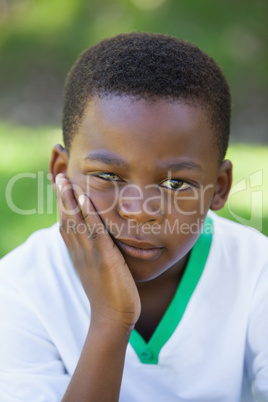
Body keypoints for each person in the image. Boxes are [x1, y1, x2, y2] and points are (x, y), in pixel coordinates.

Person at [0, 32, 267, 402]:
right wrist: (111, 321)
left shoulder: (256, 270)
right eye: (108, 177)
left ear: (219, 187)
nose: (140, 211)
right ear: (60, 170)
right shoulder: (18, 287)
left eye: (177, 184)